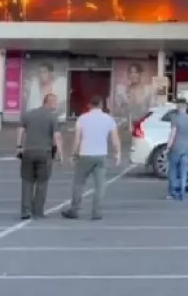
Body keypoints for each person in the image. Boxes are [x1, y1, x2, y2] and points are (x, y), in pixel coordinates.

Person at [62, 96, 120, 220]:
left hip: (85, 154)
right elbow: (115, 138)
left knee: (79, 183)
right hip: (101, 155)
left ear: (90, 105)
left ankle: (74, 209)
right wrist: (118, 153)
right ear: (101, 105)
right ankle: (96, 212)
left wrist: (73, 154)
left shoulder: (82, 119)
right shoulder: (109, 119)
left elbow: (77, 139)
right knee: (100, 186)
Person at [18, 92, 64, 220]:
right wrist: (60, 154)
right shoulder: (52, 117)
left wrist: (19, 146)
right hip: (45, 153)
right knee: (42, 183)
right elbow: (57, 137)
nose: (56, 105)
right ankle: (38, 211)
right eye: (55, 102)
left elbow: (21, 130)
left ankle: (25, 210)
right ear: (50, 102)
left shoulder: (29, 114)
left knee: (27, 182)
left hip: (28, 152)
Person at [165, 100, 188, 201]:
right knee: (183, 171)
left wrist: (168, 147)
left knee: (173, 170)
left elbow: (173, 134)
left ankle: (173, 192)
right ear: (186, 108)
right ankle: (182, 191)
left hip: (176, 148)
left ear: (178, 107)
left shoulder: (175, 118)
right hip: (187, 148)